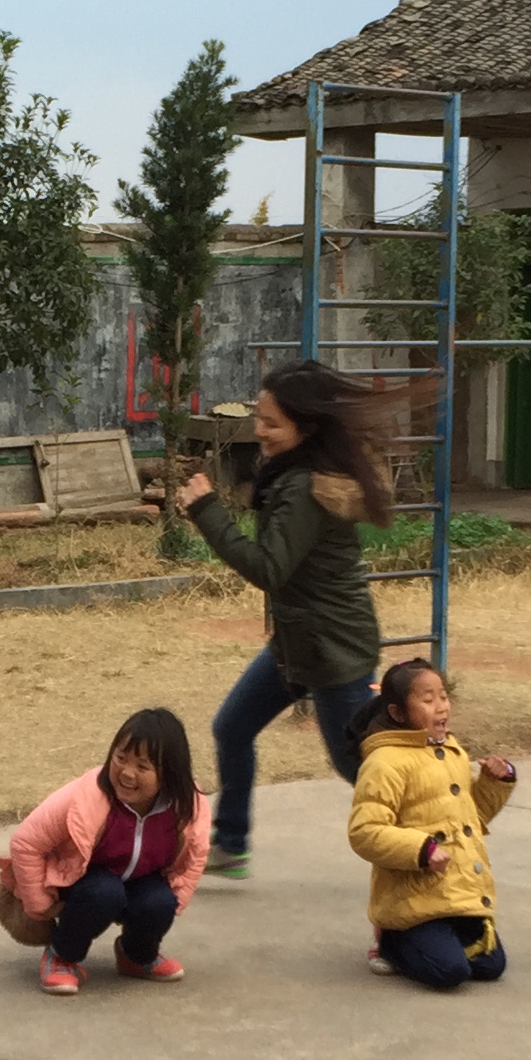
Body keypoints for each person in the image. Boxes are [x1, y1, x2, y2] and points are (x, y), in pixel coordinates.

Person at [172, 361, 397, 881]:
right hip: (300, 641)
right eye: (259, 417)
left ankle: (433, 829)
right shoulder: (293, 474)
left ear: (306, 427)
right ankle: (232, 845)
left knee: (357, 767)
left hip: (332, 648)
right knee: (232, 727)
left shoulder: (304, 489)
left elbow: (269, 568)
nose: (260, 430)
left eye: (272, 423)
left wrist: (208, 509)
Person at [4, 708, 212, 996]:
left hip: (141, 879)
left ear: (169, 774)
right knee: (104, 892)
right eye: (120, 758)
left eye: (142, 767)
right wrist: (39, 906)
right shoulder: (86, 795)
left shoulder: (188, 805)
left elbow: (197, 853)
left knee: (161, 901)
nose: (127, 773)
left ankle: (136, 956)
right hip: (83, 882)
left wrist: (180, 897)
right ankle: (61, 955)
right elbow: (25, 843)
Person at [346, 658, 517, 990]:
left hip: (455, 893)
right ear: (398, 713)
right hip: (412, 899)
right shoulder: (384, 762)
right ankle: (391, 940)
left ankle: (440, 937)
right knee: (449, 973)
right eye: (427, 700)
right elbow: (364, 832)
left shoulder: (451, 751)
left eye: (443, 696)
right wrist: (421, 850)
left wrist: (496, 781)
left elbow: (472, 818)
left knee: (491, 965)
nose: (441, 707)